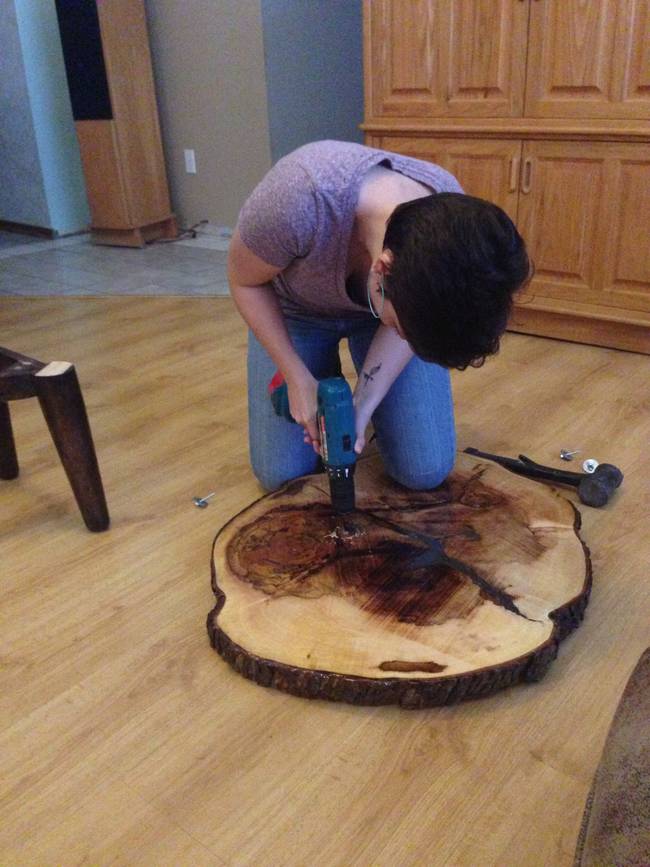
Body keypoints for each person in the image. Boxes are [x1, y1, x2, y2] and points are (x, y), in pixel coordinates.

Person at [228, 140, 530, 493]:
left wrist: (362, 404)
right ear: (384, 268)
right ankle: (318, 370)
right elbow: (243, 281)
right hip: (294, 311)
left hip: (388, 312)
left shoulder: (455, 219)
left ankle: (367, 393)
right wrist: (296, 377)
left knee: (425, 470)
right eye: (405, 328)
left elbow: (412, 329)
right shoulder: (297, 199)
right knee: (280, 475)